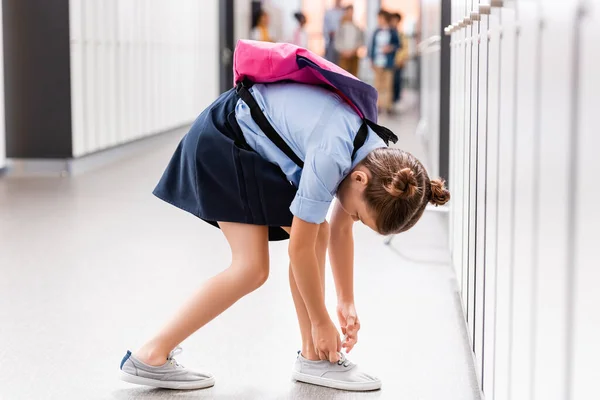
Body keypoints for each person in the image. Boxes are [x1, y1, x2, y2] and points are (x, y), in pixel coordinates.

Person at [118, 72, 450, 391]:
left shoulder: (373, 154)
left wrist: (345, 301)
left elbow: (338, 228)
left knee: (313, 231)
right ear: (360, 181)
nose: (352, 218)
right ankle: (150, 355)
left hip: (244, 139)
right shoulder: (332, 156)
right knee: (251, 268)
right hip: (223, 140)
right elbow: (301, 249)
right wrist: (321, 321)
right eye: (361, 216)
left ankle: (314, 357)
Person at [369, 10, 400, 114]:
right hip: (378, 62)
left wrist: (390, 48)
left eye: (380, 18)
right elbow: (372, 46)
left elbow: (397, 45)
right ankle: (378, 106)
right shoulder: (376, 31)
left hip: (388, 62)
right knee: (378, 85)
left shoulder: (392, 32)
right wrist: (371, 60)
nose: (379, 20)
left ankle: (388, 106)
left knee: (388, 85)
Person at [335, 5, 364, 77]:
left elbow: (360, 40)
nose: (350, 14)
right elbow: (337, 41)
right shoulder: (341, 27)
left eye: (352, 12)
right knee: (343, 76)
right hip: (343, 55)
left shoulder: (357, 27)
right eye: (349, 12)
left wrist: (353, 51)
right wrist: (344, 51)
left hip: (354, 55)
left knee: (354, 76)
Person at [390, 12, 409, 104]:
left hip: (398, 62)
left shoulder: (401, 34)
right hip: (389, 62)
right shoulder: (388, 33)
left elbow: (405, 48)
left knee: (397, 82)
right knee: (389, 84)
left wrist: (401, 59)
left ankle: (395, 101)